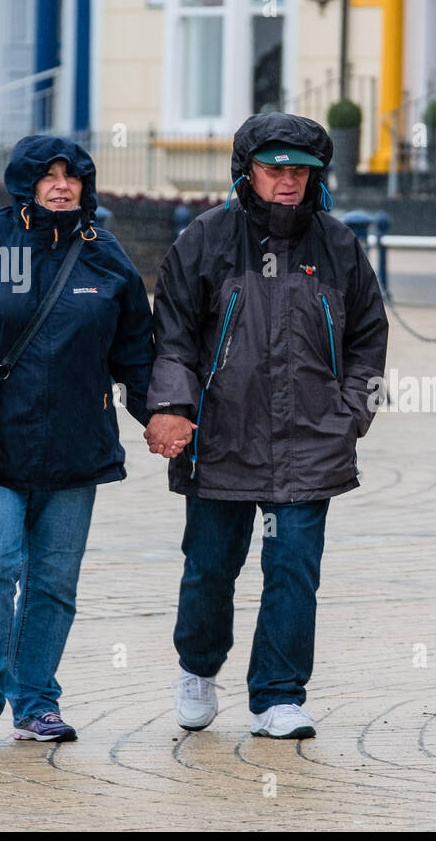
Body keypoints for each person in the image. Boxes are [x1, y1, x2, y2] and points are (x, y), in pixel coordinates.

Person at [144, 112, 388, 739]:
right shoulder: (204, 239)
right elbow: (170, 335)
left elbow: (368, 337)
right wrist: (172, 407)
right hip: (220, 440)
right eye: (276, 167)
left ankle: (278, 696)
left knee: (293, 572)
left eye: (301, 170)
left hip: (312, 443)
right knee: (208, 568)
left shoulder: (338, 245)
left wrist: (351, 412)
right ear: (246, 172)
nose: (288, 180)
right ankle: (198, 668)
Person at [0, 135, 154, 745]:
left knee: (53, 580)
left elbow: (135, 351)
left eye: (72, 176)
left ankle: (36, 701)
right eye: (47, 175)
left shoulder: (106, 256)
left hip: (78, 446)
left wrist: (159, 415)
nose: (61, 185)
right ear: (24, 182)